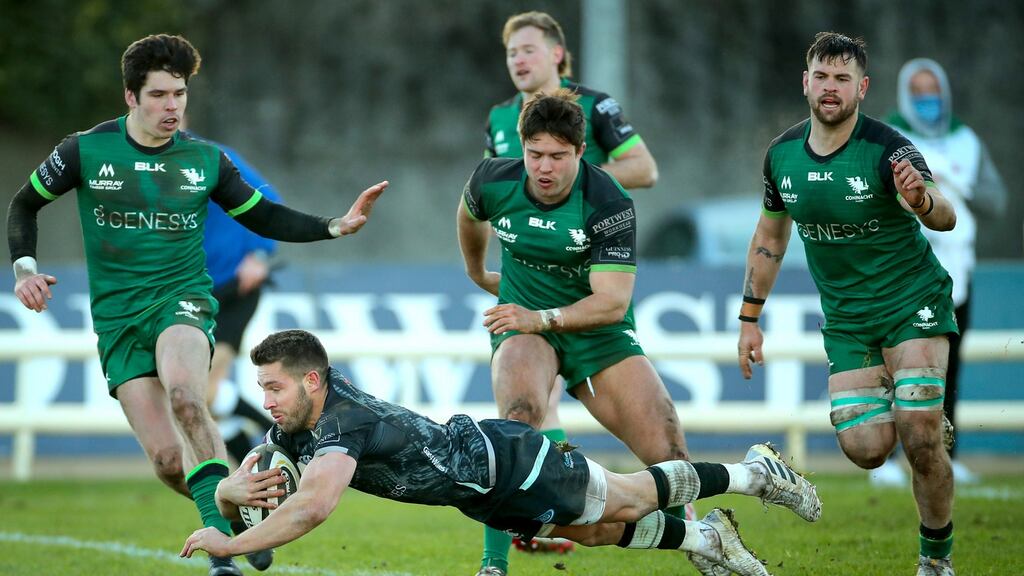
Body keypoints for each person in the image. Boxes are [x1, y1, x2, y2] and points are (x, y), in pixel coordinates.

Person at [6, 34, 387, 576]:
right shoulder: (84, 151)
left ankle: (221, 559)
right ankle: (238, 521)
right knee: (166, 462)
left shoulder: (206, 160)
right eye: (159, 95)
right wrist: (24, 268)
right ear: (130, 97)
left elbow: (264, 216)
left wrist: (332, 225)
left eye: (180, 94)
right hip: (116, 320)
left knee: (189, 396)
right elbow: (24, 205)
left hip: (180, 300)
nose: (172, 107)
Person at [179, 329, 822, 576]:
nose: (263, 398)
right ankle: (706, 543)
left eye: (272, 386)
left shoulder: (343, 425)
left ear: (312, 381)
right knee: (597, 532)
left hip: (506, 461)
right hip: (479, 496)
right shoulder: (299, 419)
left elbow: (315, 506)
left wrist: (229, 547)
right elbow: (262, 464)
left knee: (626, 496)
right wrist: (233, 492)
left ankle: (752, 472)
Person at [736, 33, 958, 576]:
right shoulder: (781, 155)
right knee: (866, 448)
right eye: (821, 76)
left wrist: (922, 200)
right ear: (805, 82)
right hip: (848, 321)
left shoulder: (889, 148)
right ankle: (916, 409)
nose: (829, 87)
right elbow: (769, 238)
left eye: (842, 79)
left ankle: (935, 561)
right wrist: (749, 319)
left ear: (862, 88)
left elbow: (945, 216)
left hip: (913, 302)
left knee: (920, 436)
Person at [461, 89, 700, 575]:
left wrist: (543, 317)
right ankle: (492, 564)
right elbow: (468, 216)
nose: (544, 167)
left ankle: (703, 547)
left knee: (669, 453)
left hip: (595, 329)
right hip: (524, 326)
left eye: (557, 156)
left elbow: (611, 303)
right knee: (517, 425)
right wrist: (476, 272)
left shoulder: (608, 200)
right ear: (521, 148)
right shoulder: (492, 179)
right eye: (534, 155)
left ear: (580, 152)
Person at [481, 10, 663, 563]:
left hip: (588, 282)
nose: (519, 59)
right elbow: (492, 194)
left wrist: (579, 179)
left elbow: (645, 169)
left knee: (657, 435)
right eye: (512, 51)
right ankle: (525, 535)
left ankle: (685, 523)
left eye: (530, 49)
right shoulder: (499, 117)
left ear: (558, 55)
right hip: (527, 286)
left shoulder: (596, 105)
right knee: (525, 413)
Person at [868, 58, 1007, 487]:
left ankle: (950, 452)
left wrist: (951, 183)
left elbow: (995, 201)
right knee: (899, 363)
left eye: (934, 91)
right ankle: (891, 458)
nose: (928, 100)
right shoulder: (888, 136)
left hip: (956, 268)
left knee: (951, 365)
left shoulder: (966, 140)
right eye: (919, 92)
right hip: (906, 268)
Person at [194, 132, 280, 466]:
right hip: (187, 294)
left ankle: (268, 444)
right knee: (199, 397)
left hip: (233, 291)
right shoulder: (140, 172)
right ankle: (264, 461)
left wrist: (259, 253)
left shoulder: (213, 158)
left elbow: (267, 196)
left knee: (202, 392)